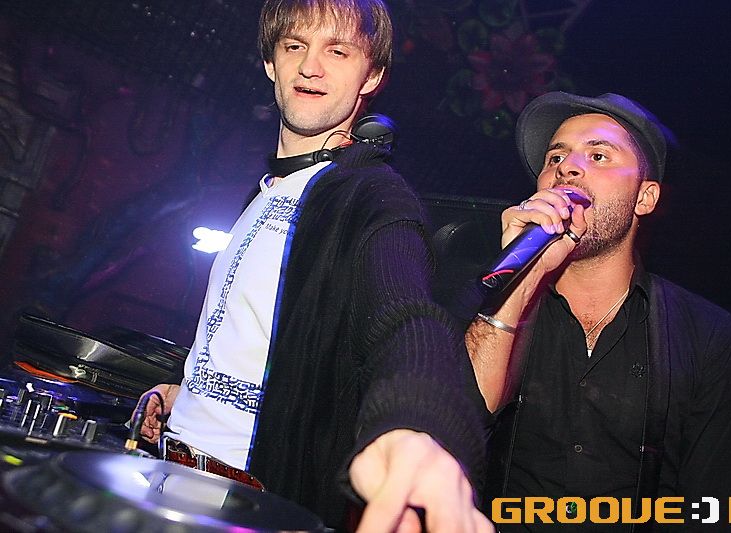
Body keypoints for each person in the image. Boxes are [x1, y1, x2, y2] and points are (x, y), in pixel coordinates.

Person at [133, 0, 493, 531]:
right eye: (295, 46)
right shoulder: (265, 191)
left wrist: (416, 427)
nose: (310, 66)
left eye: (337, 51)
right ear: (270, 63)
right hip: (172, 473)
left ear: (372, 76)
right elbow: (252, 343)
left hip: (246, 502)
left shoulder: (370, 196)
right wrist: (183, 390)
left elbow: (407, 318)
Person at [465, 92, 731, 531]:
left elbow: (713, 506)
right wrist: (517, 282)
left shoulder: (708, 336)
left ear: (645, 198)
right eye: (555, 157)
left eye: (598, 155)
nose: (567, 167)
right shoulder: (483, 307)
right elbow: (450, 429)